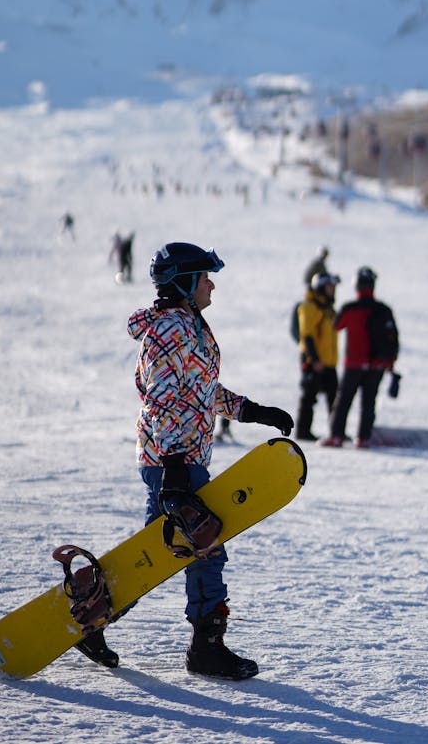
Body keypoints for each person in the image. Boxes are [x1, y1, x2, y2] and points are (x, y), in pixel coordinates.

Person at [76, 242, 292, 680]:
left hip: (179, 457)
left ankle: (95, 617)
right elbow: (161, 397)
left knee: (156, 553)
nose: (212, 284)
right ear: (185, 283)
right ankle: (206, 648)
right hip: (172, 460)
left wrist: (253, 411)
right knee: (204, 548)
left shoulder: (187, 325)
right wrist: (174, 465)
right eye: (206, 277)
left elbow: (200, 391)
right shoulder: (172, 329)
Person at [322, 266, 399, 449]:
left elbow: (337, 325)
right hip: (377, 365)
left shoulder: (350, 308)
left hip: (354, 364)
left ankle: (336, 436)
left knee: (343, 401)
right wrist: (390, 361)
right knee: (368, 402)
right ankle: (363, 439)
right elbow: (393, 336)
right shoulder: (384, 310)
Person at [295, 273, 340, 441]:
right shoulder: (310, 307)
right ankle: (303, 432)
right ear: (321, 287)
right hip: (315, 362)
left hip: (329, 362)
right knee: (309, 398)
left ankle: (337, 432)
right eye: (330, 286)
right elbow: (307, 335)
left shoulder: (328, 309)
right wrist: (314, 359)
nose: (334, 290)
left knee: (335, 398)